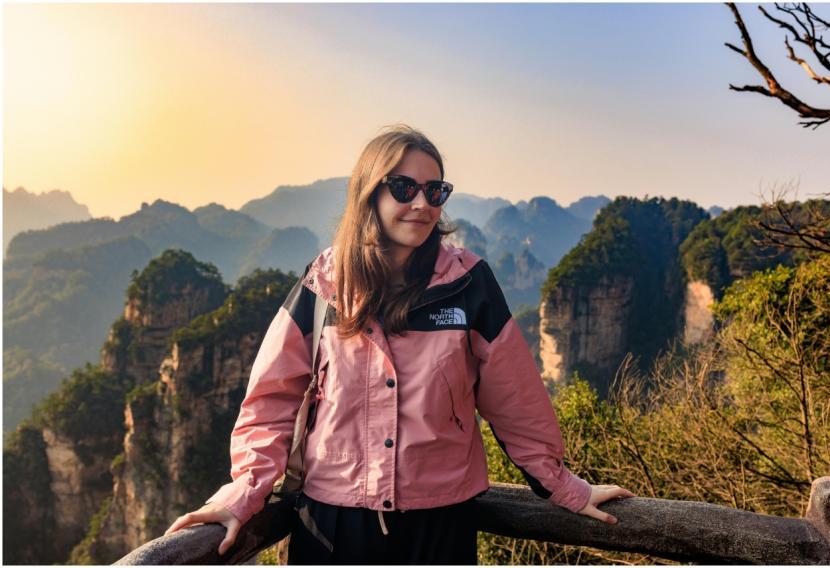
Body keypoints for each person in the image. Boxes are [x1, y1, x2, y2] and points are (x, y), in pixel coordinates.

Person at [164, 124, 635, 564]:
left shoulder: (469, 284)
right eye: (404, 188)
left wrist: (566, 487)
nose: (422, 204)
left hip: (442, 522)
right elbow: (272, 398)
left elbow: (515, 399)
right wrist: (243, 494)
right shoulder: (324, 283)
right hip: (332, 524)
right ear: (370, 192)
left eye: (435, 191)